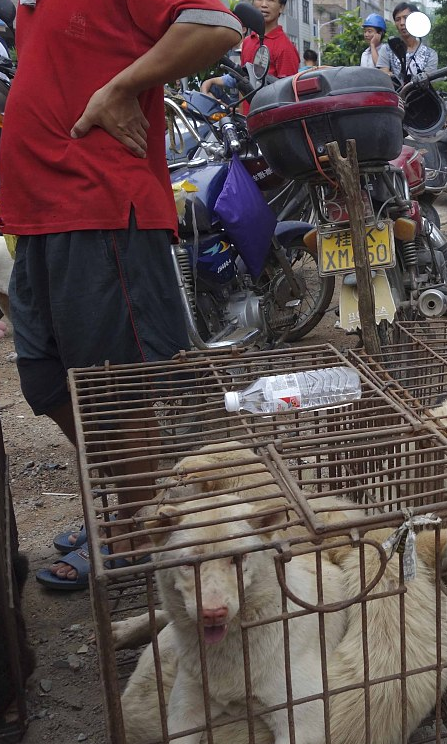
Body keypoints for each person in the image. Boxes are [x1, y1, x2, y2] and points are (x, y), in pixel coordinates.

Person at [0, 0, 241, 589]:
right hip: (38, 215)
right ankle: (131, 505)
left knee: (114, 390)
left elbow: (214, 27)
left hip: (100, 204)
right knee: (44, 378)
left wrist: (121, 87)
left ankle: (133, 526)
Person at [200, 0, 299, 97]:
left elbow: (288, 95)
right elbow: (243, 81)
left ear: (281, 7)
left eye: (271, 0)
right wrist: (211, 81)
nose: (264, 4)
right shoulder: (247, 42)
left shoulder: (286, 47)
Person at [377, 3, 437, 80]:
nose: (402, 23)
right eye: (397, 19)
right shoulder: (386, 49)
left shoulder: (430, 54)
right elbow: (383, 75)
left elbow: (428, 81)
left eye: (406, 18)